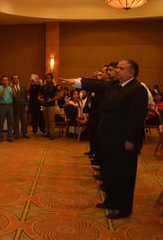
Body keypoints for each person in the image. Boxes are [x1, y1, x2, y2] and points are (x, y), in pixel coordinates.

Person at [61, 59, 148, 219]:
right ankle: (111, 200)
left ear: (131, 72)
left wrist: (130, 139)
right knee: (110, 171)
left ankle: (123, 207)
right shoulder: (114, 85)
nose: (116, 71)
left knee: (124, 174)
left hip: (124, 140)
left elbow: (135, 118)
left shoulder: (137, 89)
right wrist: (76, 82)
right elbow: (96, 84)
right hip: (109, 137)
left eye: (121, 69)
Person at [11, 74, 30, 139]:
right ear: (12, 80)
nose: (16, 79)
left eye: (17, 78)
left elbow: (26, 97)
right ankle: (16, 134)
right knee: (15, 121)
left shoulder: (23, 86)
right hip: (15, 107)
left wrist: (27, 105)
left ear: (19, 79)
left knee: (24, 121)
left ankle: (25, 133)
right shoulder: (11, 88)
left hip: (23, 106)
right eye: (14, 78)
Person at [0, 75, 14, 142]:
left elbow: (14, 95)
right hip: (2, 106)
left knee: (10, 122)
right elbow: (0, 96)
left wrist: (12, 88)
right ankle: (0, 136)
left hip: (10, 106)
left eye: (6, 80)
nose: (5, 81)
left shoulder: (10, 88)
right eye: (4, 80)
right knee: (1, 122)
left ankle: (10, 137)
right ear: (1, 81)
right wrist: (5, 88)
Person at [39, 73, 57, 140]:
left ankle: (52, 134)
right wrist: (40, 99)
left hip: (51, 105)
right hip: (44, 105)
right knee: (46, 120)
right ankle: (47, 132)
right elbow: (39, 95)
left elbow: (58, 95)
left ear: (52, 79)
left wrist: (52, 99)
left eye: (49, 78)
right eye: (47, 77)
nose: (48, 79)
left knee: (51, 120)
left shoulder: (54, 87)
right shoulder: (43, 87)